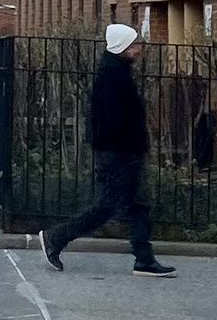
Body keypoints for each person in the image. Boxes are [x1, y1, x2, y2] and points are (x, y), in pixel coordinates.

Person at [39, 25, 177, 278]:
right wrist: (130, 144)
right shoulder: (113, 75)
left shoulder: (117, 71)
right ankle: (55, 238)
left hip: (124, 151)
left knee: (138, 204)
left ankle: (144, 259)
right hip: (119, 153)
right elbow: (114, 119)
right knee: (108, 206)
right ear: (122, 48)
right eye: (134, 45)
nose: (139, 49)